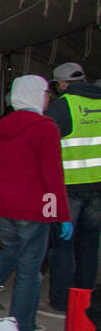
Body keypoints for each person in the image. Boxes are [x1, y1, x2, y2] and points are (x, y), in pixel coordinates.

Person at [0, 76, 69, 331]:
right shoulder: (45, 127)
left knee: (8, 254)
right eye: (45, 94)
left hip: (3, 206)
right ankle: (22, 324)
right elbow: (52, 175)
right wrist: (59, 214)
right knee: (30, 266)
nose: (47, 99)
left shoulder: (0, 127)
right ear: (36, 95)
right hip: (33, 207)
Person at [44, 62, 101, 315]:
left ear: (62, 84)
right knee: (89, 246)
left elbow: (43, 147)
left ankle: (60, 302)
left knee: (63, 247)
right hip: (98, 188)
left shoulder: (61, 107)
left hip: (67, 189)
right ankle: (84, 299)